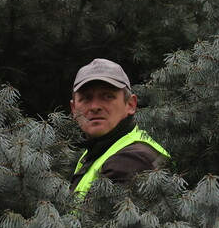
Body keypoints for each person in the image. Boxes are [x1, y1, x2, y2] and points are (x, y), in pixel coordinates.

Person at [69, 58, 170, 197]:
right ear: (74, 109)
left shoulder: (130, 160)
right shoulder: (99, 151)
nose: (94, 107)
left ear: (130, 104)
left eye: (107, 96)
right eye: (86, 98)